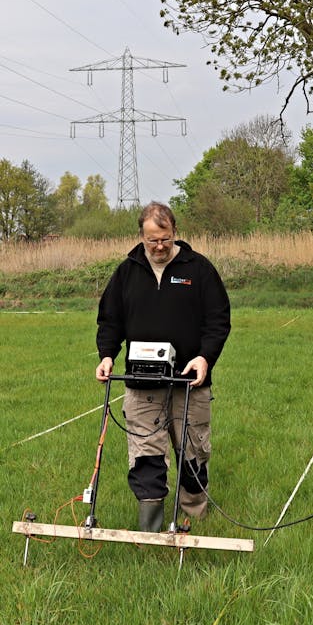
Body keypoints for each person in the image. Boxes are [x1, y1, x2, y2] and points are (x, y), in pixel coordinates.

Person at [95, 201, 231, 532]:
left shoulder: (197, 269)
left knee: (193, 453)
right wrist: (107, 355)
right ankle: (150, 527)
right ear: (141, 237)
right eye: (152, 240)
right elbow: (110, 320)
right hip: (141, 385)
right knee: (145, 455)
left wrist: (205, 357)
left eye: (165, 239)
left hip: (189, 383)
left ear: (174, 233)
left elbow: (218, 320)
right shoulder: (127, 271)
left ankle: (194, 517)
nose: (159, 247)